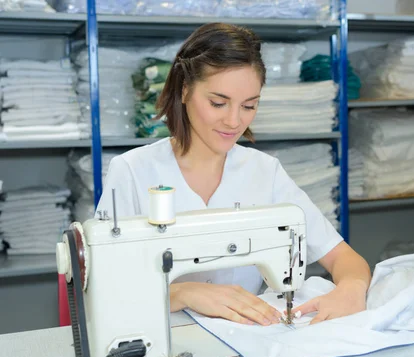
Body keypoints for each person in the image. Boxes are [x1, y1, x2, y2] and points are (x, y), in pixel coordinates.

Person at [97, 22, 371, 327]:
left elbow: (345, 259)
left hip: (244, 338)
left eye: (249, 106)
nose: (233, 121)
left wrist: (351, 289)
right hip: (158, 335)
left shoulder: (265, 172)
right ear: (185, 90)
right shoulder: (133, 171)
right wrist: (181, 292)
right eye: (218, 102)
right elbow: (103, 283)